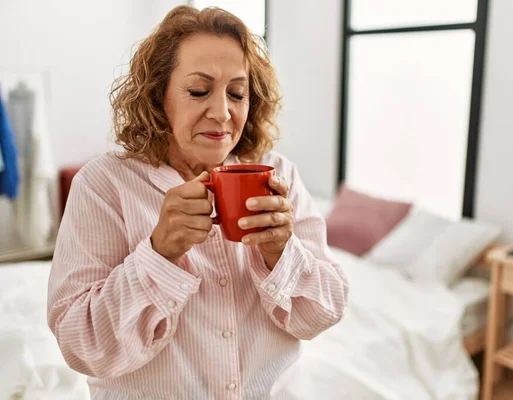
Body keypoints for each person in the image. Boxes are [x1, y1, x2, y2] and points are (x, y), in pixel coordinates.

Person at [47, 5, 348, 399]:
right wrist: (158, 254)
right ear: (158, 95)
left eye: (237, 93)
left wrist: (282, 254)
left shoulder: (280, 176)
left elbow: (323, 313)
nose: (222, 113)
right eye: (199, 91)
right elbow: (82, 345)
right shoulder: (104, 185)